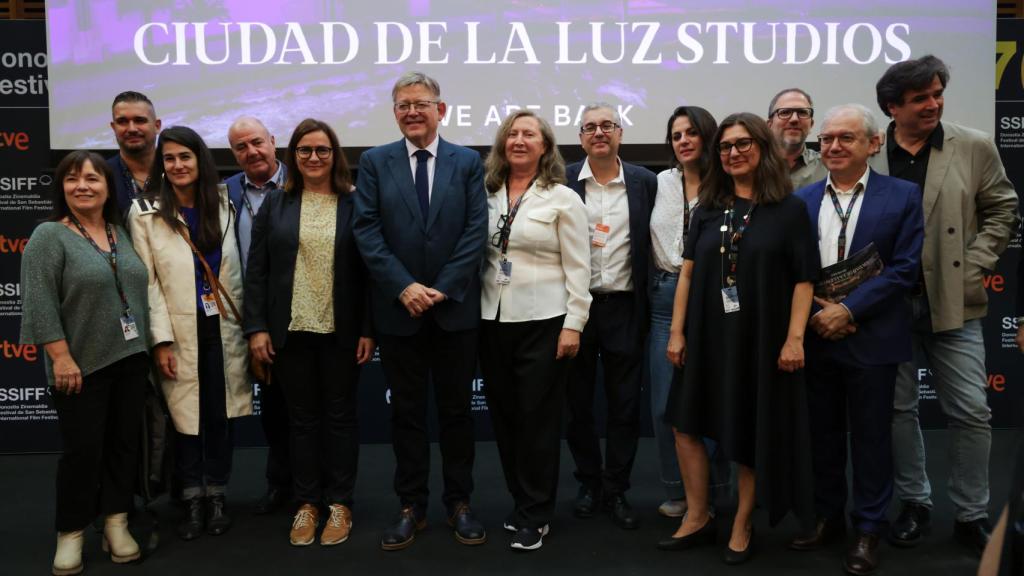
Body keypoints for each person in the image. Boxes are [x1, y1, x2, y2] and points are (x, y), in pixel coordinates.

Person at [873, 54, 1019, 556]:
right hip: (887, 305)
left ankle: (971, 513)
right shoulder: (870, 151)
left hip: (954, 301)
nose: (933, 104)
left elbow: (1003, 207)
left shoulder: (973, 144)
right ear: (893, 107)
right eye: (921, 98)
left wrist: (977, 262)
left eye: (938, 94)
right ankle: (914, 503)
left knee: (972, 412)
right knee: (898, 410)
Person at [662, 113, 818, 564]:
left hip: (760, 338)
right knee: (685, 424)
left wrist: (794, 339)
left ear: (763, 148)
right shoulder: (709, 207)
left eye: (743, 144)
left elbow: (804, 281)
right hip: (707, 335)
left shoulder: (790, 210)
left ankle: (742, 521)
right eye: (726, 147)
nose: (733, 153)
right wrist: (676, 332)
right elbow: (688, 274)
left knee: (750, 428)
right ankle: (696, 515)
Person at [353, 71, 489, 550]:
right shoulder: (373, 162)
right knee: (407, 416)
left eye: (421, 103)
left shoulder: (468, 162)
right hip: (399, 314)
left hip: (453, 312)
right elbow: (366, 230)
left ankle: (460, 503)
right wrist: (404, 286)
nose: (412, 111)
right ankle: (411, 505)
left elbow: (476, 231)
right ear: (394, 112)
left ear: (441, 110)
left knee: (456, 415)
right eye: (403, 104)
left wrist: (443, 288)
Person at [790, 104, 924, 576]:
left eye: (845, 138)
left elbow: (905, 268)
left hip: (874, 335)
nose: (832, 146)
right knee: (821, 435)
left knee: (871, 438)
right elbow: (791, 270)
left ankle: (869, 527)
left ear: (873, 143)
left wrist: (848, 310)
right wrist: (821, 316)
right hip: (815, 336)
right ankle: (829, 516)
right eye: (826, 139)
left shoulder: (903, 195)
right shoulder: (802, 199)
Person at [243, 118, 375, 547]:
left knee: (339, 419)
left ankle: (339, 503)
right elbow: (257, 272)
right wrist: (257, 327)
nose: (314, 158)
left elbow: (371, 273)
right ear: (293, 156)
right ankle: (306, 504)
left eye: (322, 150)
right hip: (290, 331)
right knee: (301, 421)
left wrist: (369, 328)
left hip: (342, 330)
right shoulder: (276, 205)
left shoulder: (356, 203)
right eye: (305, 151)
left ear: (335, 155)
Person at [21, 151, 150, 576]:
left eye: (93, 178)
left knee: (123, 447)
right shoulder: (48, 236)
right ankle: (71, 533)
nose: (83, 186)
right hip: (79, 365)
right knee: (82, 453)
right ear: (61, 188)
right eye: (73, 179)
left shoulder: (119, 232)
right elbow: (39, 302)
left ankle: (116, 522)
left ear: (107, 186)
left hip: (130, 358)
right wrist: (60, 357)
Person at [128, 126, 252, 541]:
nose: (178, 165)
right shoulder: (144, 210)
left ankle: (216, 494)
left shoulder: (223, 202)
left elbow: (233, 269)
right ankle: (191, 498)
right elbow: (147, 282)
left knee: (220, 413)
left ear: (200, 160)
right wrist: (160, 339)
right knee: (185, 418)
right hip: (178, 329)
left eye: (186, 157)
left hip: (223, 325)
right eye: (169, 158)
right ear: (161, 164)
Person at [478, 110, 591, 551]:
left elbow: (580, 269)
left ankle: (536, 512)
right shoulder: (484, 196)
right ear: (502, 144)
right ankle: (521, 502)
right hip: (492, 321)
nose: (520, 140)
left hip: (545, 322)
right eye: (512, 134)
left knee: (537, 422)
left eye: (530, 134)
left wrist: (574, 325)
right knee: (506, 421)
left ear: (545, 146)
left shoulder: (563, 198)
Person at [564, 103, 657, 529]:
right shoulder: (562, 179)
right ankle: (589, 483)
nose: (599, 133)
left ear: (620, 133)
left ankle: (616, 487)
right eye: (590, 127)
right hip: (573, 308)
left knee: (623, 405)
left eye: (607, 126)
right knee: (577, 403)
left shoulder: (646, 183)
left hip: (625, 306)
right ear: (581, 137)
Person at [650, 105, 718, 521]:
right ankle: (678, 490)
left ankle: (716, 491)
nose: (684, 141)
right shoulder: (660, 182)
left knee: (712, 400)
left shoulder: (727, 184)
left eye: (691, 132)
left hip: (713, 299)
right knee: (663, 404)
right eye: (676, 135)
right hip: (663, 297)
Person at [224, 116, 291, 515]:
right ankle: (279, 483)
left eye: (256, 143)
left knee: (308, 409)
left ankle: (312, 487)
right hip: (250, 317)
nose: (251, 152)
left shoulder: (303, 181)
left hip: (300, 313)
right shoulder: (225, 191)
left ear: (273, 141)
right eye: (240, 147)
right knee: (275, 407)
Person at [107, 91, 162, 215]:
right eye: (122, 121)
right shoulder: (102, 175)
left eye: (139, 120)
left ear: (157, 125)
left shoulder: (176, 171)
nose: (131, 129)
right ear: (113, 127)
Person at [766, 88, 827, 190]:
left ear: (811, 125)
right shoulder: (753, 167)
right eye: (785, 112)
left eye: (802, 112)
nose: (794, 119)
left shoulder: (828, 167)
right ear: (769, 125)